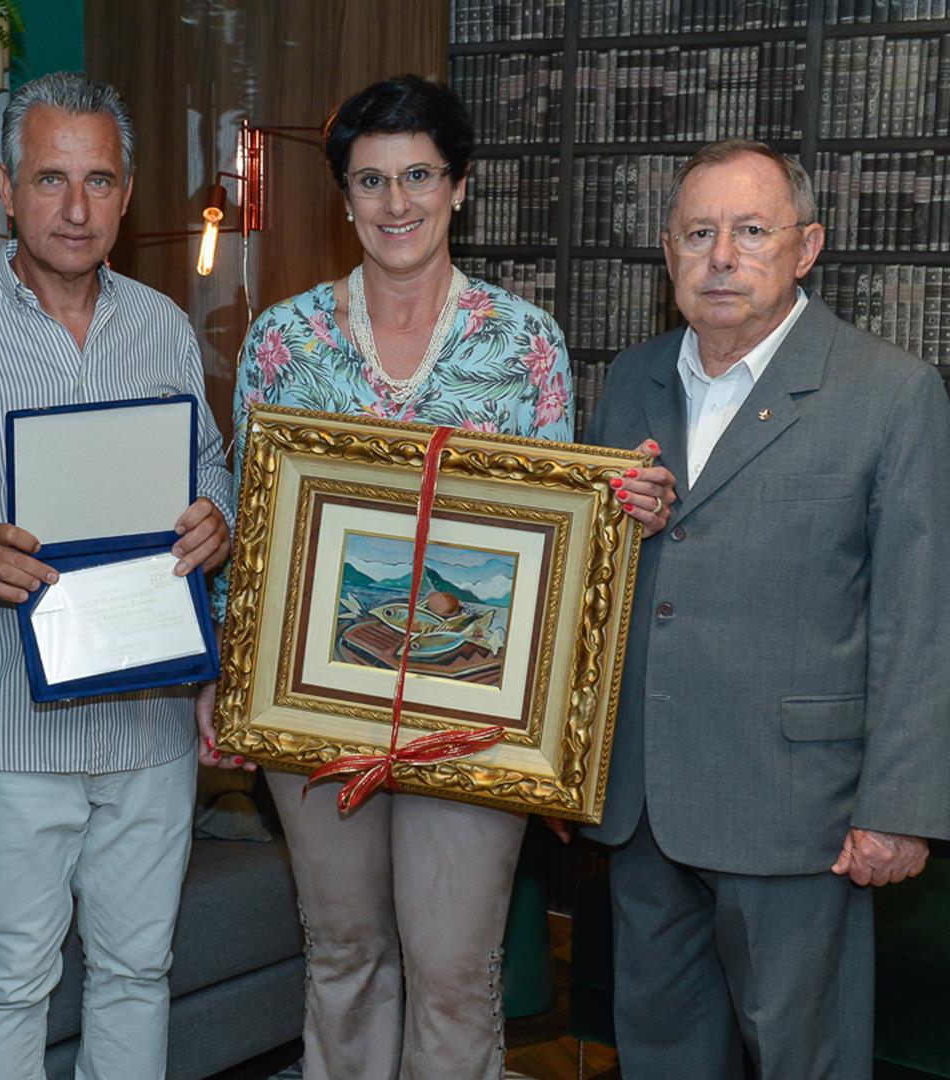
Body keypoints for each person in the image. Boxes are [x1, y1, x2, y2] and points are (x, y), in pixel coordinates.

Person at [224, 75, 671, 1080]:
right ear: (343, 195)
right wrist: (230, 672)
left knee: (454, 968)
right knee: (341, 955)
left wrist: (619, 511)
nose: (397, 202)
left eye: (419, 174)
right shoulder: (282, 342)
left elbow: (553, 554)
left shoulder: (525, 346)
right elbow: (257, 529)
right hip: (314, 709)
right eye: (371, 179)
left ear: (459, 186)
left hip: (472, 711)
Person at [581, 139, 950, 1079]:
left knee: (807, 1061)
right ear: (667, 253)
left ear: (807, 247)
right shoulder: (630, 380)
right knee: (660, 1055)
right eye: (698, 233)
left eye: (752, 232)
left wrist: (899, 809)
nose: (722, 257)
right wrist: (572, 755)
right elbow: (583, 584)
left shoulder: (891, 394)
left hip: (800, 812)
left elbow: (921, 620)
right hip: (640, 800)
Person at [0, 72, 233, 1079]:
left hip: (151, 723)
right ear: (3, 186)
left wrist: (219, 517)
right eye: (50, 179)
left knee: (136, 970)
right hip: (8, 734)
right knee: (9, 975)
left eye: (99, 181)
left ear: (127, 194)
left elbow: (209, 469)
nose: (75, 209)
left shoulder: (166, 326)